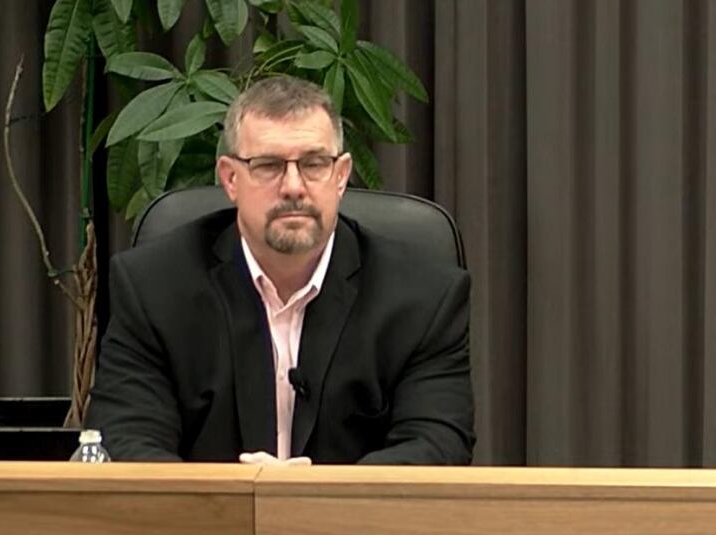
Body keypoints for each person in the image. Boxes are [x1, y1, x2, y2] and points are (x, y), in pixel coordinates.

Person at [86, 76, 475, 465]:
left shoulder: (425, 297)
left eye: (314, 164)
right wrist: (236, 502)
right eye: (268, 165)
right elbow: (126, 442)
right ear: (230, 178)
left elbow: (438, 445)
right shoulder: (153, 288)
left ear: (341, 177)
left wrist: (311, 503)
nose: (293, 186)